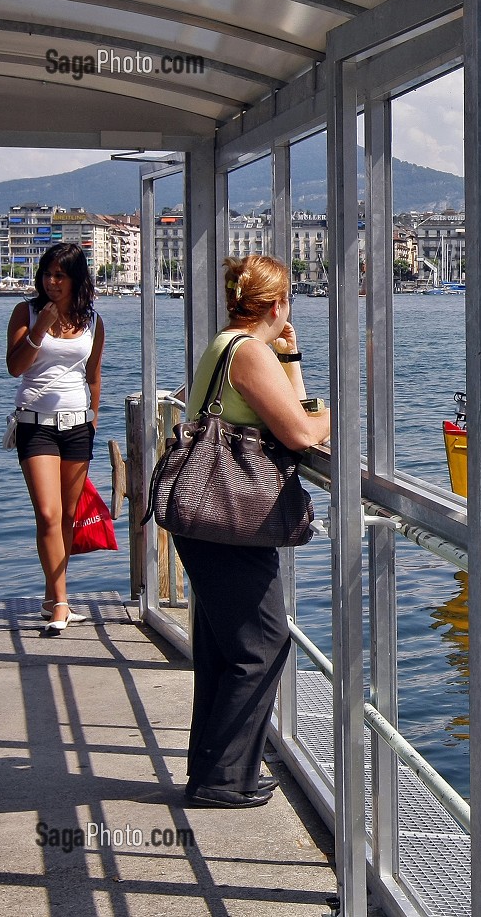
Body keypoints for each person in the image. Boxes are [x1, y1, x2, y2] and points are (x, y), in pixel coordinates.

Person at [173, 255, 331, 809]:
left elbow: (289, 410)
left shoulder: (228, 344)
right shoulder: (250, 353)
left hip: (211, 516)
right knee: (264, 644)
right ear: (278, 304)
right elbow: (302, 431)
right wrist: (330, 414)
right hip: (234, 519)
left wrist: (291, 355)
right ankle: (221, 779)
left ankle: (215, 771)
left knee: (225, 647)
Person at [5, 243, 106, 634]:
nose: (52, 282)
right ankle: (61, 604)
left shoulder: (93, 321)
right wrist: (38, 330)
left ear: (76, 278)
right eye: (47, 274)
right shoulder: (26, 312)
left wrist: (93, 421)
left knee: (67, 515)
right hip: (35, 423)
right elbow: (15, 368)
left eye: (60, 275)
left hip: (78, 425)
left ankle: (53, 596)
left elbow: (93, 376)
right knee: (47, 514)